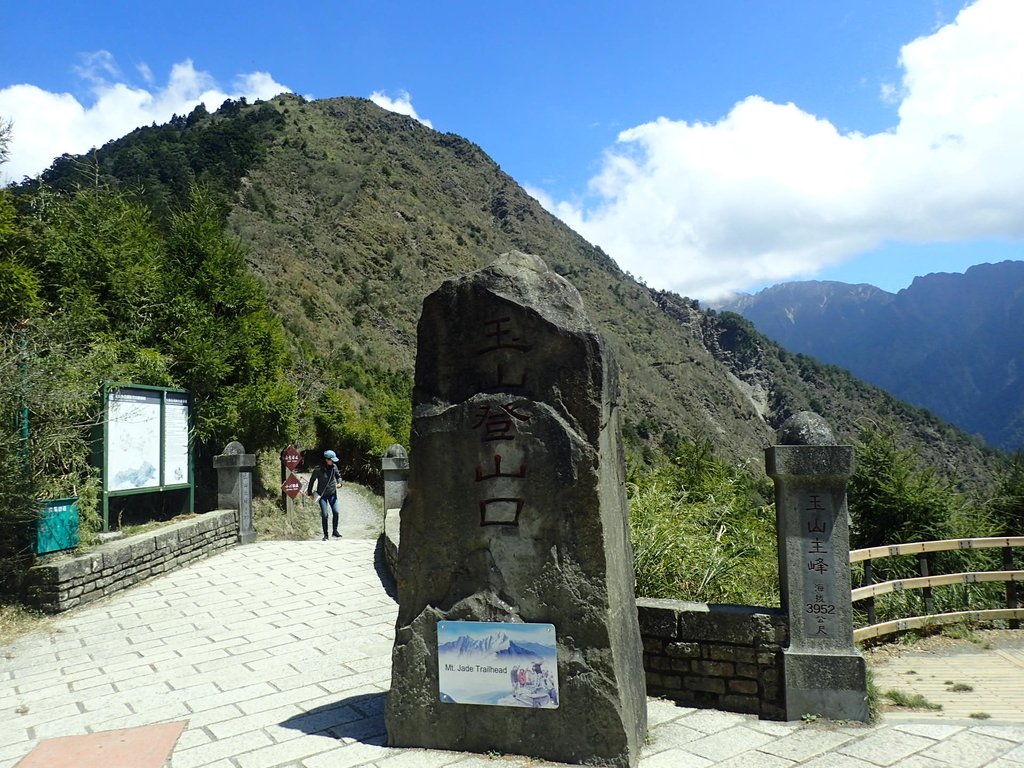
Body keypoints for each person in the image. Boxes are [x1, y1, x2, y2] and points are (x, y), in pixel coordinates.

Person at [307, 449, 344, 540]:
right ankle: (325, 535)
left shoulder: (334, 467)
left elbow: (338, 476)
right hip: (322, 495)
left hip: (332, 493)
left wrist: (340, 483)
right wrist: (310, 493)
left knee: (336, 511)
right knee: (325, 514)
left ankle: (335, 531)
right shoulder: (318, 469)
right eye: (332, 460)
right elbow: (312, 481)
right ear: (327, 459)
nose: (334, 462)